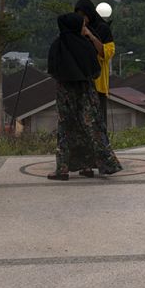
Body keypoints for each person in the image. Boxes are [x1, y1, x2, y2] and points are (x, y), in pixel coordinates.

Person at [47, 12, 122, 181]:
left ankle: (62, 170)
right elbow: (95, 71)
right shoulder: (85, 45)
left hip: (65, 93)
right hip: (87, 93)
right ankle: (90, 167)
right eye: (82, 26)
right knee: (90, 128)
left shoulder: (57, 45)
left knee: (65, 129)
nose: (84, 29)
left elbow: (52, 70)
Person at [74, 0, 115, 131]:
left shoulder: (103, 29)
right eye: (78, 16)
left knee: (99, 121)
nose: (82, 19)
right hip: (81, 82)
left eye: (83, 16)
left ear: (90, 14)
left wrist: (90, 36)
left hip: (98, 84)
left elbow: (107, 53)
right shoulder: (76, 30)